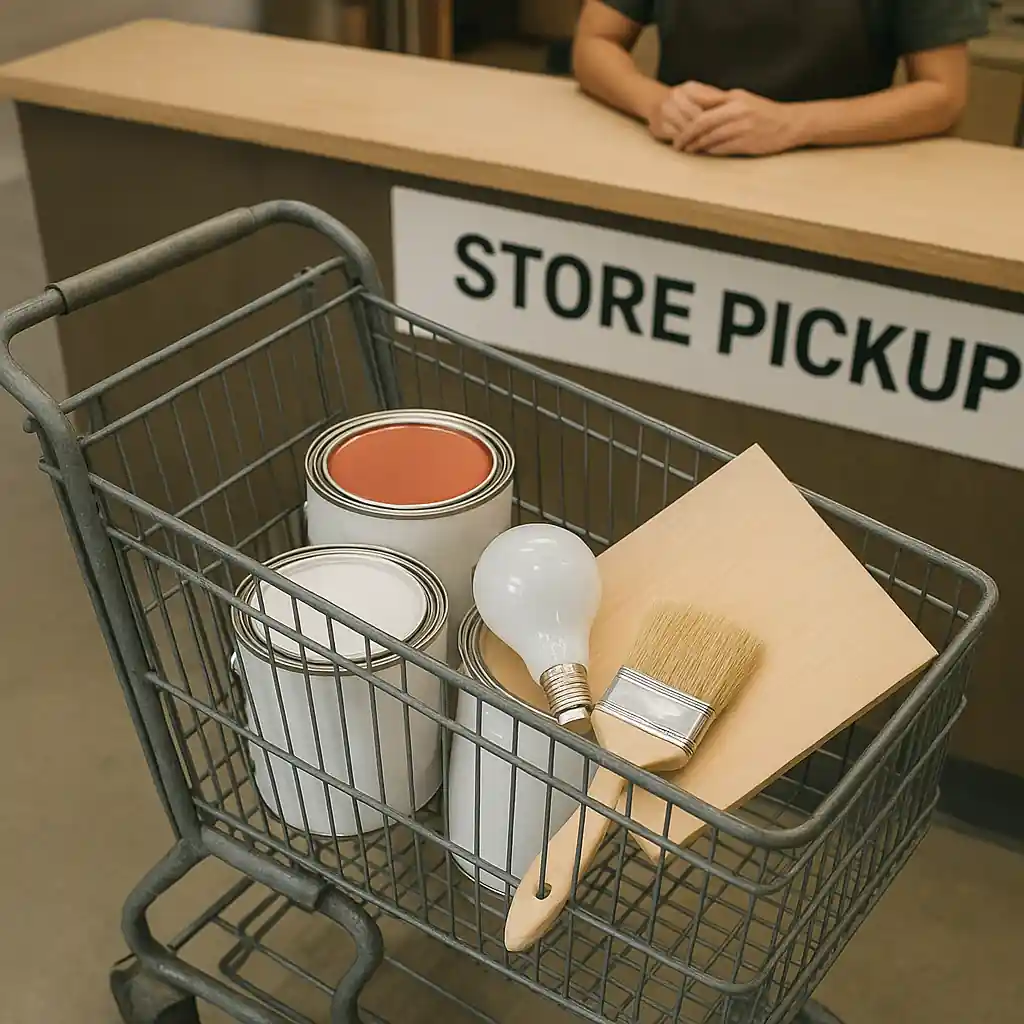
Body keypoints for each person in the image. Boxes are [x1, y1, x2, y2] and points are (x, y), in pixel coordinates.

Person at [572, 0, 990, 156]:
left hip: (842, 169)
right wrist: (655, 102)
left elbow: (944, 94)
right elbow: (596, 41)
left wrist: (793, 125)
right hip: (687, 157)